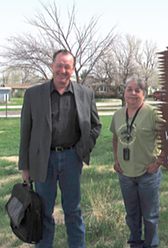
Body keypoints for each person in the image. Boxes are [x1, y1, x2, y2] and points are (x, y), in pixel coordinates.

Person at [18, 49, 102, 248]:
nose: (63, 70)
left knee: (73, 211)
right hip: (43, 160)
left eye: (67, 66)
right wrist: (25, 167)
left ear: (72, 69)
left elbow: (95, 125)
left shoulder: (85, 93)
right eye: (59, 65)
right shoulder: (33, 94)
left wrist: (82, 149)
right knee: (43, 212)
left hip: (72, 158)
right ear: (52, 66)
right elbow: (25, 133)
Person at [110, 77, 163, 248]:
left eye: (137, 90)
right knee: (131, 215)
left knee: (150, 216)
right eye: (129, 89)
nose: (132, 93)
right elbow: (115, 138)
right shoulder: (118, 114)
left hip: (147, 174)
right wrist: (116, 160)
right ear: (124, 92)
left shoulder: (153, 114)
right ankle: (135, 244)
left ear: (144, 94)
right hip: (125, 174)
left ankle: (151, 245)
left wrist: (158, 162)